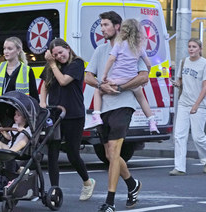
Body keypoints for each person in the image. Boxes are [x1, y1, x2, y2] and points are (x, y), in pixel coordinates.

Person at [84, 11, 148, 211]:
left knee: (113, 150)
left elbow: (144, 76)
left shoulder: (131, 47)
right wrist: (101, 86)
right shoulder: (101, 50)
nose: (102, 29)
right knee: (110, 154)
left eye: (105, 25)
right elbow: (88, 76)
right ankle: (132, 184)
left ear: (117, 26)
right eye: (101, 25)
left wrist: (120, 87)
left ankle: (109, 202)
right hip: (103, 107)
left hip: (124, 104)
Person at [39, 38, 96, 201]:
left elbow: (64, 81)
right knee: (52, 153)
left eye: (61, 52)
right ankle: (54, 189)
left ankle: (87, 182)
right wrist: (43, 103)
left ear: (68, 49)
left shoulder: (77, 64)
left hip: (73, 114)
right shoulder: (52, 65)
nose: (58, 56)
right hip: (55, 114)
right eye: (55, 54)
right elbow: (45, 84)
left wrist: (52, 64)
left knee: (72, 153)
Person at [84, 19, 159, 135]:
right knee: (141, 98)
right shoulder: (139, 47)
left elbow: (111, 59)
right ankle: (152, 121)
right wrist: (146, 76)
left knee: (98, 90)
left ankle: (96, 115)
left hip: (118, 79)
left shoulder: (119, 44)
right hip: (132, 79)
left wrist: (104, 74)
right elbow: (148, 64)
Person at [0, 36, 39, 143]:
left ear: (18, 50)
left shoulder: (27, 71)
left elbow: (34, 97)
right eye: (4, 48)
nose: (6, 51)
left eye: (10, 49)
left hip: (16, 116)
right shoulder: (0, 68)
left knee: (12, 150)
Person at [169, 38, 206, 176]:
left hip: (199, 105)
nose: (191, 49)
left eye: (194, 46)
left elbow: (205, 87)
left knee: (198, 136)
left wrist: (196, 105)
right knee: (179, 135)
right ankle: (179, 167)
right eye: (189, 46)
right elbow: (181, 80)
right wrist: (176, 83)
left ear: (200, 49)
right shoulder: (184, 61)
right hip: (183, 103)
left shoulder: (205, 64)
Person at [0, 109, 31, 175]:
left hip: (21, 150)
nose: (15, 117)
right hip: (10, 147)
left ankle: (9, 153)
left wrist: (24, 131)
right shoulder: (14, 126)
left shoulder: (28, 128)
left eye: (18, 115)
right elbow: (10, 138)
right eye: (15, 114)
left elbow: (27, 139)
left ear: (25, 118)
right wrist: (4, 132)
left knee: (24, 140)